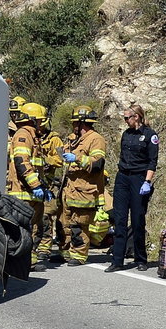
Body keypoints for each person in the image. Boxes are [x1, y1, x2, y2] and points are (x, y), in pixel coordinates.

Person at [105, 104, 159, 273]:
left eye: (127, 117)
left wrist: (147, 182)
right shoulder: (126, 134)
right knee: (120, 219)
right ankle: (117, 260)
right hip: (123, 178)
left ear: (136, 117)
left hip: (139, 179)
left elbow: (152, 161)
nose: (125, 120)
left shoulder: (150, 135)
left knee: (137, 220)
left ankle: (141, 258)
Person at [6, 102, 52, 271]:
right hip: (23, 192)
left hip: (32, 193)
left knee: (33, 228)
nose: (43, 124)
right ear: (33, 120)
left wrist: (43, 187)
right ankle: (21, 263)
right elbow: (22, 163)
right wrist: (35, 186)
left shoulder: (34, 136)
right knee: (23, 229)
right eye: (41, 121)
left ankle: (29, 262)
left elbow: (36, 166)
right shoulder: (23, 135)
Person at [60, 105, 107, 266]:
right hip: (70, 189)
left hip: (85, 191)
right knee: (65, 222)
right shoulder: (74, 139)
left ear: (82, 123)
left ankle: (79, 255)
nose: (73, 126)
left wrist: (78, 158)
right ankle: (66, 252)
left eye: (75, 123)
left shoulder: (96, 139)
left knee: (79, 224)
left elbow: (97, 165)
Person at [36, 113, 66, 262]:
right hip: (30, 182)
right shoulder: (29, 136)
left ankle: (44, 248)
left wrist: (46, 160)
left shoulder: (54, 139)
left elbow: (61, 159)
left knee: (45, 216)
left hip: (47, 183)